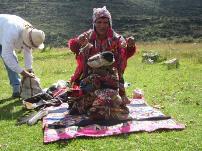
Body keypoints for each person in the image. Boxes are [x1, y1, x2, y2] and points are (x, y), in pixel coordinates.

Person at [68, 6, 137, 103]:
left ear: (109, 24)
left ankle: (117, 95)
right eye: (99, 22)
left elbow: (125, 53)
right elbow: (74, 48)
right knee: (86, 99)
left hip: (110, 78)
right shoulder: (88, 36)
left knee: (111, 101)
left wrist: (130, 46)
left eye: (105, 23)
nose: (102, 26)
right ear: (94, 23)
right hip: (89, 76)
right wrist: (79, 42)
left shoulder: (116, 39)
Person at [0, 14, 45, 98]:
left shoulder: (32, 32)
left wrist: (29, 69)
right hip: (3, 32)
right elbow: (6, 55)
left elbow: (27, 50)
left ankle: (17, 89)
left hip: (3, 33)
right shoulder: (12, 32)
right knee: (11, 59)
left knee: (13, 60)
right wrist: (23, 72)